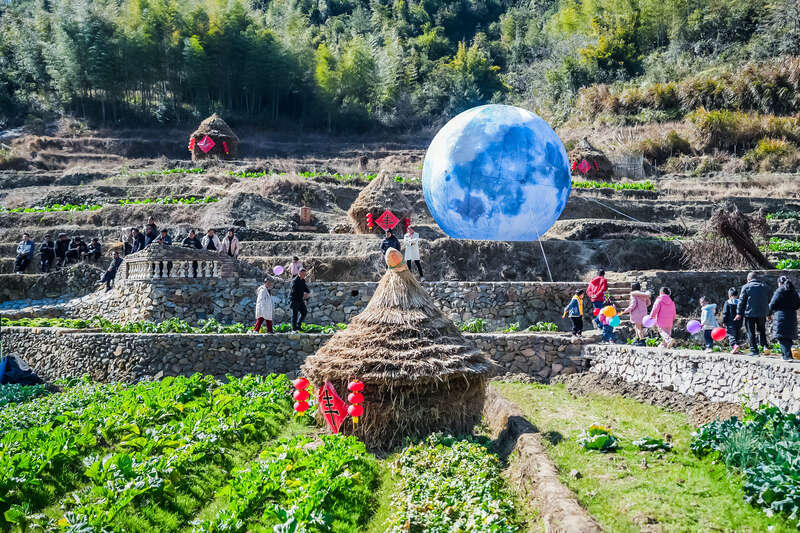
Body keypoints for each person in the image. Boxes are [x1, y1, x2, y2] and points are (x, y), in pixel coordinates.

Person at [736, 272, 770, 356]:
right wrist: (769, 313)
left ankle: (754, 350)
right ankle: (765, 346)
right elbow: (768, 301)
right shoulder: (764, 287)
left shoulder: (746, 287)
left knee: (750, 332)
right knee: (762, 330)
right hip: (762, 313)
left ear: (748, 279)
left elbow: (741, 301)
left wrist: (739, 313)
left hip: (750, 313)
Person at [768, 276, 800, 361]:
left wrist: (769, 314)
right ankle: (785, 355)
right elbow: (798, 305)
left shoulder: (779, 291)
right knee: (787, 337)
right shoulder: (793, 291)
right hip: (792, 316)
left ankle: (787, 357)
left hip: (781, 316)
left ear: (779, 283)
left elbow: (772, 304)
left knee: (781, 337)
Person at [622, 281, 651, 346]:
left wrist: (625, 310)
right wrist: (643, 307)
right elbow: (649, 303)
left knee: (638, 328)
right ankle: (637, 339)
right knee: (637, 326)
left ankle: (642, 340)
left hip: (636, 313)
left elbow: (633, 305)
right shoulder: (644, 295)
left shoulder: (634, 295)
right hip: (643, 313)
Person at [721, 288, 742, 354]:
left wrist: (724, 322)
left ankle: (734, 346)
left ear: (729, 295)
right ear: (737, 295)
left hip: (730, 322)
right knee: (737, 335)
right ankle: (736, 348)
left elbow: (725, 313)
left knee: (730, 334)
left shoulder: (727, 302)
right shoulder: (740, 302)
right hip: (739, 322)